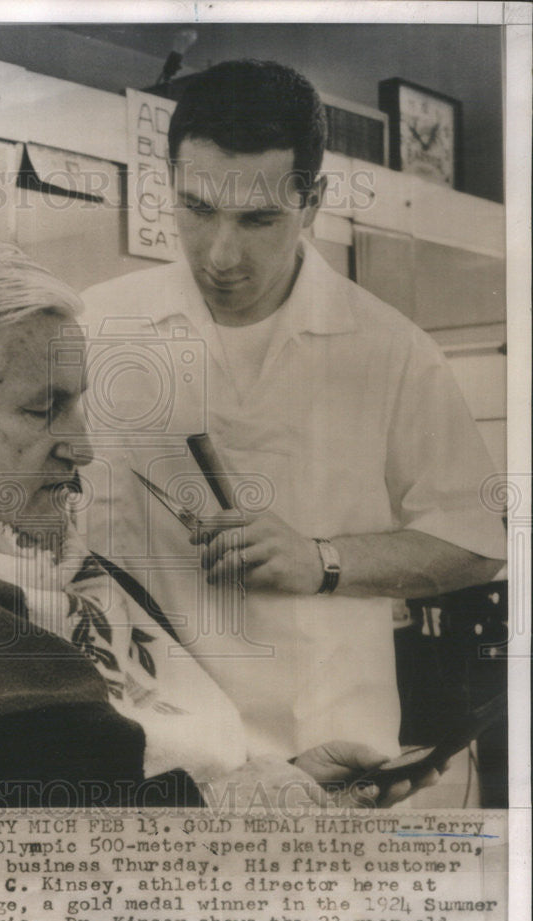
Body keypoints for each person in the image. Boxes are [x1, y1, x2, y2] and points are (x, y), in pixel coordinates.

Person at [0, 239, 422, 809]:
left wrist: (290, 783)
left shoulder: (59, 565)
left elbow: (133, 776)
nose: (83, 447)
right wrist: (229, 811)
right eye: (41, 410)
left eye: (77, 406)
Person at [81, 60, 506, 763]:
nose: (221, 253)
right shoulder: (95, 326)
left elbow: (481, 541)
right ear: (170, 185)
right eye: (197, 209)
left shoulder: (390, 349)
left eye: (258, 219)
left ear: (312, 202)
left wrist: (323, 561)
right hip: (151, 763)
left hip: (327, 756)